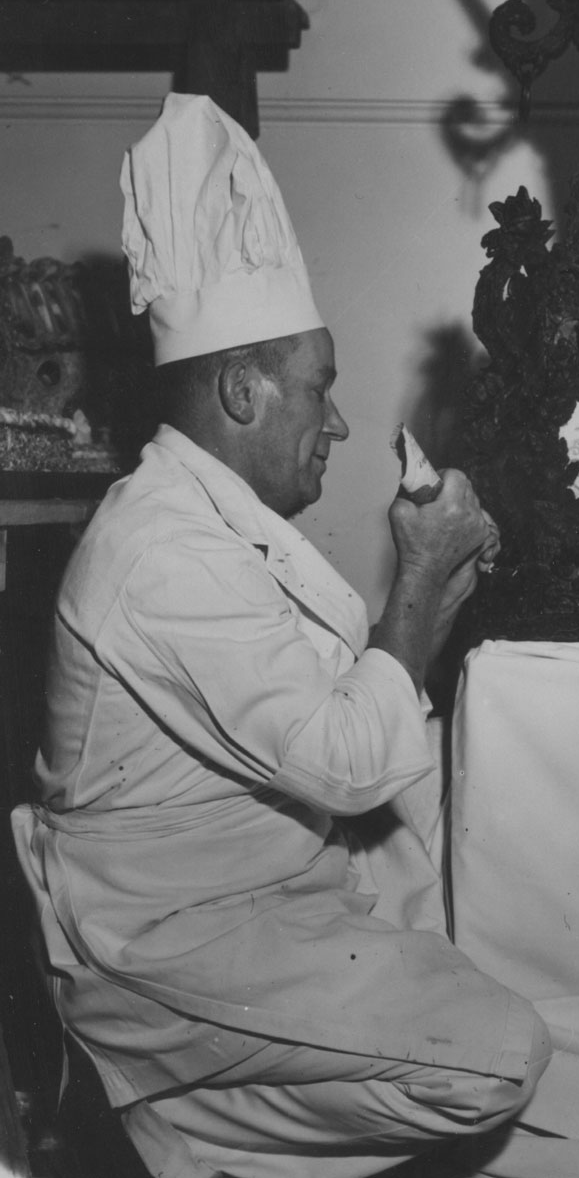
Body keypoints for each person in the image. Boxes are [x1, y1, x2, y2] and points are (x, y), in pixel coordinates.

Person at [12, 93, 551, 1178]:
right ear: (244, 390)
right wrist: (417, 576)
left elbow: (359, 704)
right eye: (322, 390)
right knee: (495, 1061)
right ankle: (180, 1130)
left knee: (463, 942)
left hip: (269, 892)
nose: (340, 423)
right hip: (164, 942)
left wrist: (438, 586)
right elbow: (349, 761)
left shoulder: (223, 520)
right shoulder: (158, 550)